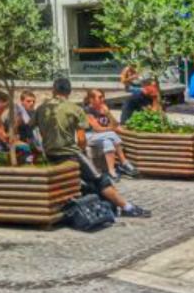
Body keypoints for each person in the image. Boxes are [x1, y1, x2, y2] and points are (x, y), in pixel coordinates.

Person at [36, 77, 150, 217]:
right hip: (70, 153)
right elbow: (82, 138)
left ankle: (112, 206)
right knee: (101, 179)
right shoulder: (74, 109)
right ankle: (127, 207)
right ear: (69, 91)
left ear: (53, 90)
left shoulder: (42, 108)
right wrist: (82, 150)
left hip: (50, 154)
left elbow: (32, 129)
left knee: (86, 183)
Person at [83, 89, 138, 179]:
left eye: (103, 97)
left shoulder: (104, 108)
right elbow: (97, 129)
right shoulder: (87, 110)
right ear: (91, 99)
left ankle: (111, 172)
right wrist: (112, 129)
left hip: (103, 136)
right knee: (111, 134)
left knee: (108, 142)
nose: (102, 99)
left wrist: (108, 113)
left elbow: (115, 124)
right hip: (90, 136)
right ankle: (124, 162)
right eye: (100, 97)